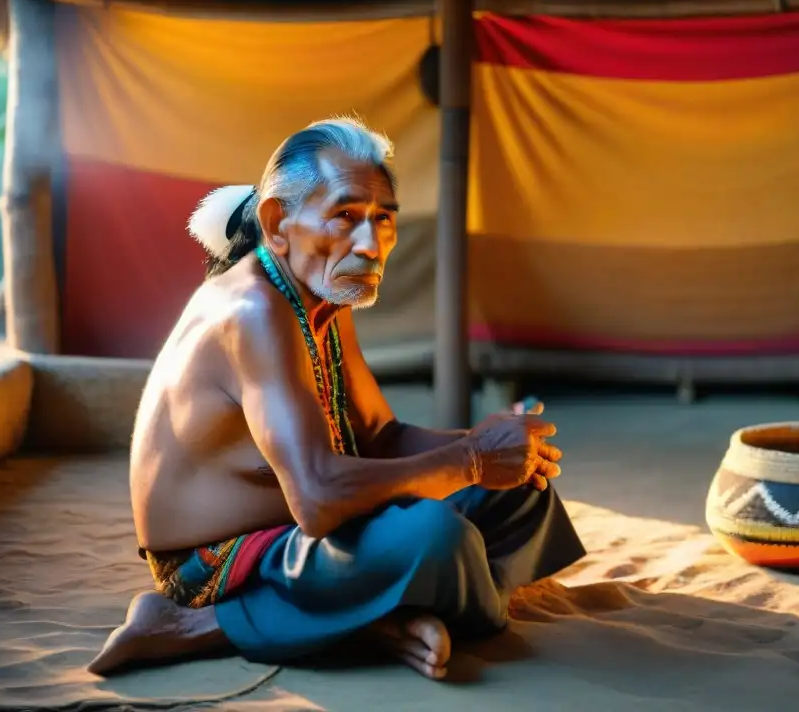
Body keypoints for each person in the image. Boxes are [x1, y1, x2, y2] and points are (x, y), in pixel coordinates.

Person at [87, 117, 586, 680]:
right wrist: (469, 461)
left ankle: (380, 615)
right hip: (222, 562)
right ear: (279, 222)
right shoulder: (251, 312)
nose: (371, 245)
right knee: (435, 536)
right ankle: (193, 625)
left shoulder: (319, 294)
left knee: (524, 489)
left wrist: (488, 448)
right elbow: (320, 500)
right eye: (346, 217)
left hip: (312, 531)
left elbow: (381, 438)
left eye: (383, 219)